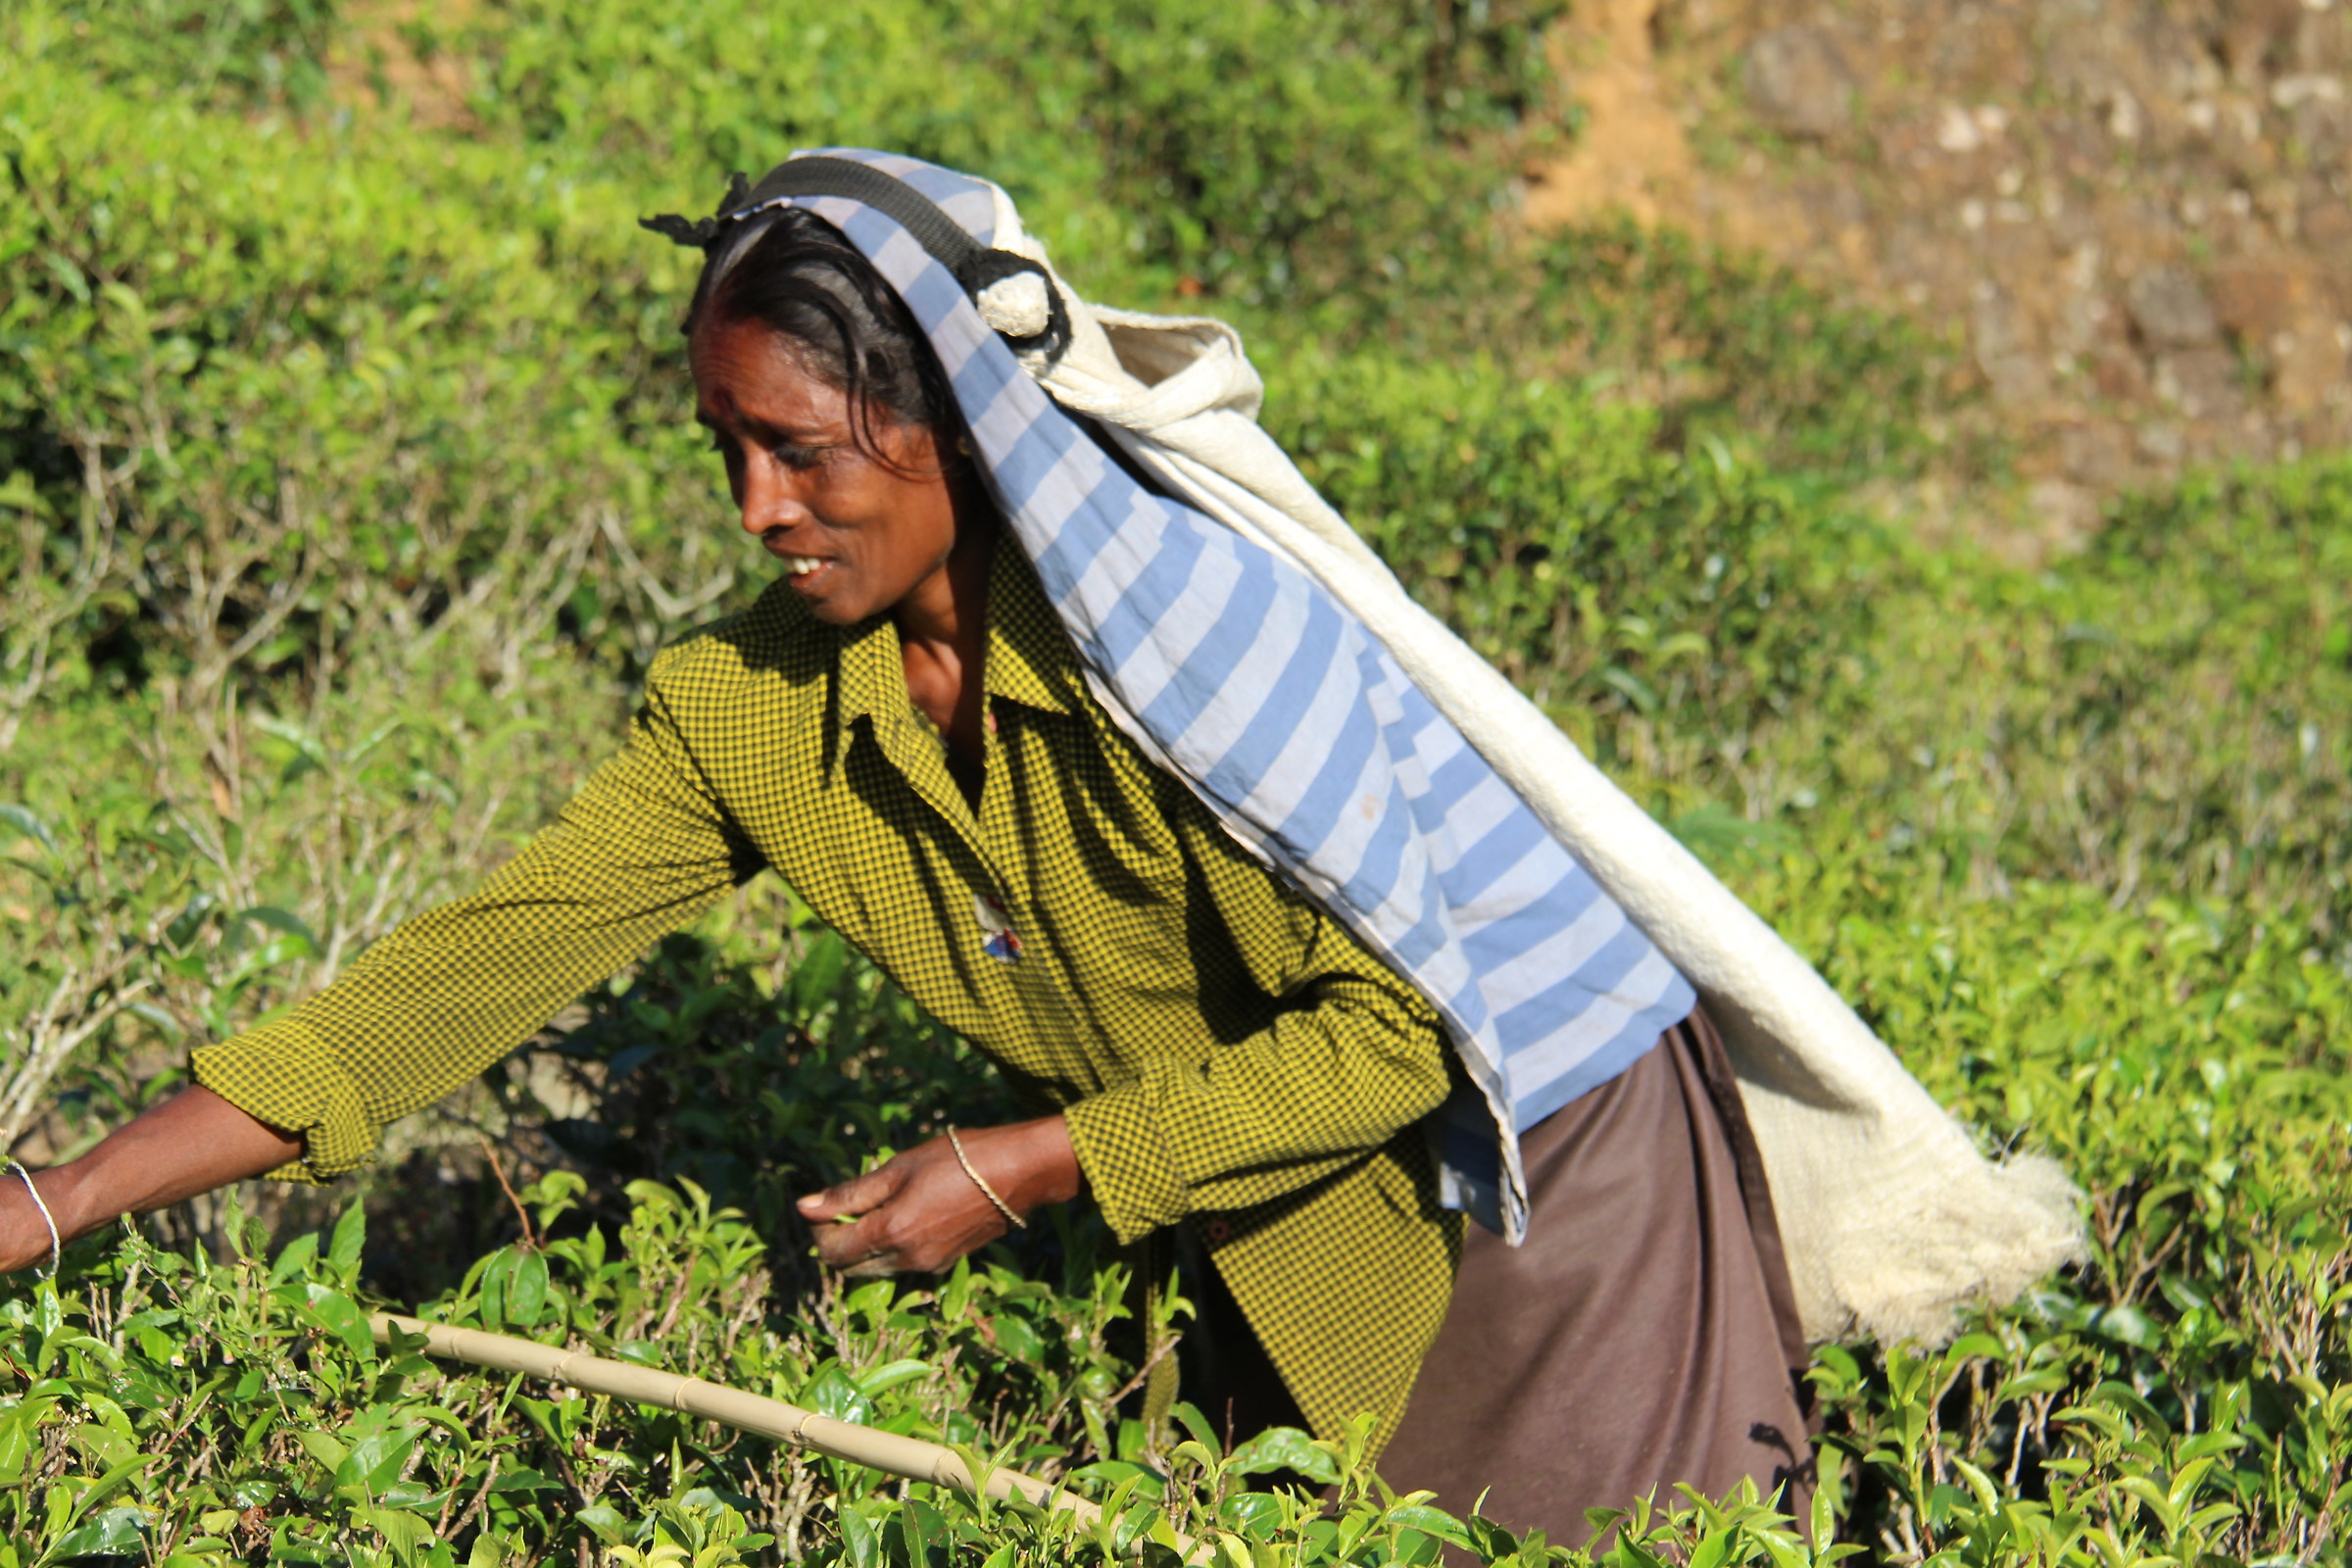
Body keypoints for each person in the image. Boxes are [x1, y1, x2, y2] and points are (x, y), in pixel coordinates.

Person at [0, 152, 1811, 1544]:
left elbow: (1397, 1037)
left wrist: (1024, 1165)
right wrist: (54, 1201)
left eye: (798, 449)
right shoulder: (758, 706)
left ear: (954, 422)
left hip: (1551, 1158)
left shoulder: (1177, 655)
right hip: (1279, 1188)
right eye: (723, 450)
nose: (758, 512)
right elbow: (455, 981)